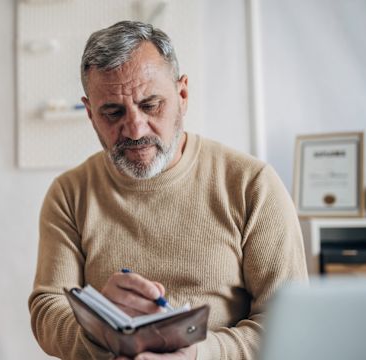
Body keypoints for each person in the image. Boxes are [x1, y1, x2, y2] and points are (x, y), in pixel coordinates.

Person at [28, 20, 308, 360]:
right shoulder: (70, 193)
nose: (134, 129)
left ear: (182, 95)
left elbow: (290, 327)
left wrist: (198, 354)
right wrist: (102, 325)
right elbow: (47, 309)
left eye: (150, 105)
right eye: (113, 112)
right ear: (90, 113)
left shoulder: (252, 185)